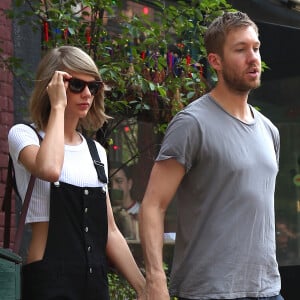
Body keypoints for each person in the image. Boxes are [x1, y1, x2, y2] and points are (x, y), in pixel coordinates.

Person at [139, 11, 283, 300]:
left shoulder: (270, 131)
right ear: (215, 61)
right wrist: (155, 280)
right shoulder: (191, 123)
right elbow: (153, 205)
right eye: (240, 50)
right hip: (209, 292)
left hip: (267, 289)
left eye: (255, 48)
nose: (253, 57)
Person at [8, 45, 145, 300]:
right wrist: (58, 108)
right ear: (54, 86)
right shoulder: (25, 136)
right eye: (76, 85)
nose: (87, 94)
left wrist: (144, 288)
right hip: (47, 283)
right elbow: (49, 169)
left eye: (93, 87)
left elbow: (111, 232)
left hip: (94, 286)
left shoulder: (96, 152)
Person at [109, 162, 140, 240]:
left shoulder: (142, 212)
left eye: (119, 181)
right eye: (109, 184)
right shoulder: (106, 212)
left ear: (129, 184)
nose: (114, 187)